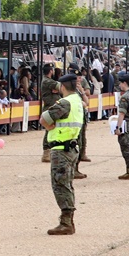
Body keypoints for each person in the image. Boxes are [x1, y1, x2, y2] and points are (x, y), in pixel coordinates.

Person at [40, 73, 84, 235]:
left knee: (60, 185)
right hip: (72, 146)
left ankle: (66, 222)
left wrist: (50, 127)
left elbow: (44, 119)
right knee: (67, 184)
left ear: (62, 87)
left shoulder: (65, 102)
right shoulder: (78, 101)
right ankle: (68, 220)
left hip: (61, 148)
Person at [39, 65, 62, 162]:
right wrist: (57, 90)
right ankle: (46, 152)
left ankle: (50, 151)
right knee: (49, 129)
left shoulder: (47, 81)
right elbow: (60, 87)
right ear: (51, 71)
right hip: (49, 108)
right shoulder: (47, 81)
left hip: (52, 107)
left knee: (53, 129)